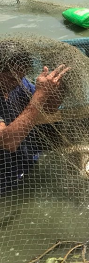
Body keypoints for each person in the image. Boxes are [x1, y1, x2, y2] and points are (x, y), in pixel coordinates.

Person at [0, 41, 70, 194]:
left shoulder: (19, 82)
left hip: (26, 163)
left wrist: (58, 88)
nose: (17, 82)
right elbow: (8, 142)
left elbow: (48, 109)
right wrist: (40, 94)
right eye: (12, 78)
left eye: (21, 77)